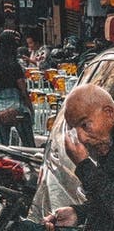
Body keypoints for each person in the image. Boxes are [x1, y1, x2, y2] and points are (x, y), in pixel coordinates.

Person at [24, 85, 114, 231]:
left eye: (85, 125)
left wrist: (85, 166)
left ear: (109, 113)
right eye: (75, 129)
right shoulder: (106, 146)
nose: (82, 138)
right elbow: (105, 201)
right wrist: (78, 213)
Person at [0, 29, 35, 147]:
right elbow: (23, 90)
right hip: (16, 106)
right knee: (28, 141)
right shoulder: (15, 65)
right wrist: (30, 107)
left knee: (1, 144)